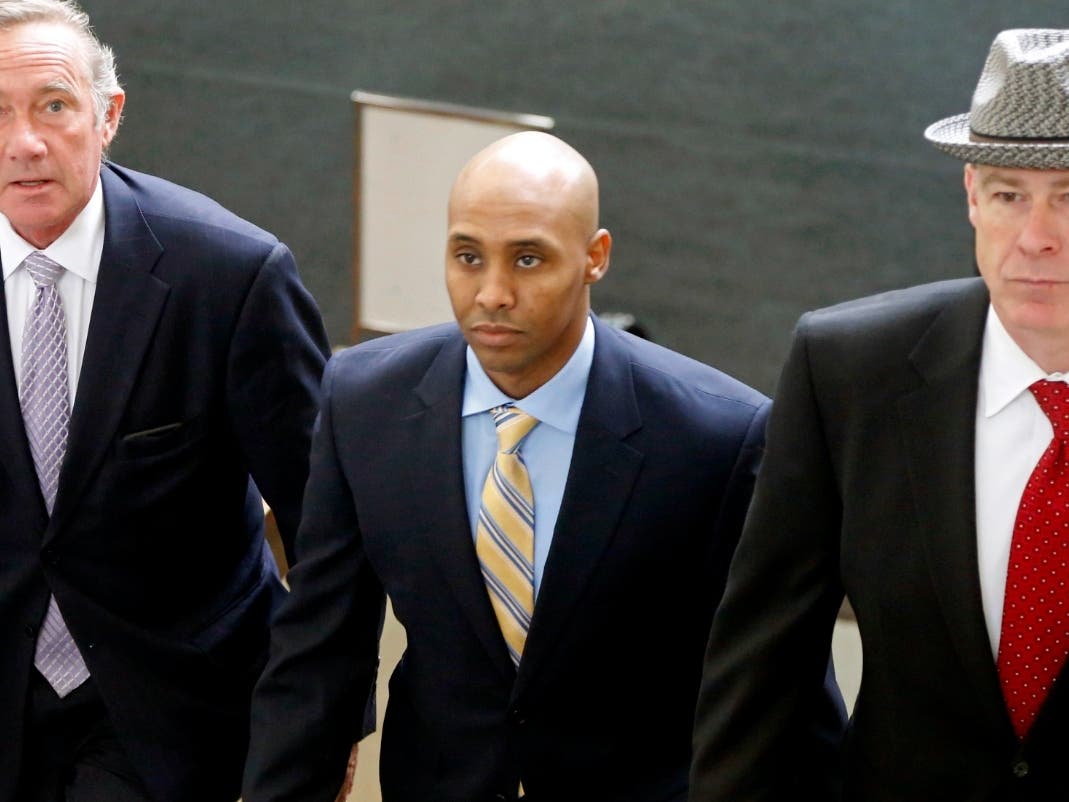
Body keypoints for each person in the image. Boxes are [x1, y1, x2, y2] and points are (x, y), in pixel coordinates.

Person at [241, 130, 824, 802]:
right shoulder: (362, 399)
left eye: (527, 260)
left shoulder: (718, 435)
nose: (491, 293)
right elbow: (319, 647)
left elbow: (776, 685)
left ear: (594, 257)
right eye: (467, 256)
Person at [689, 28, 1069, 801]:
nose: (1035, 238)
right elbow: (763, 663)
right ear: (969, 199)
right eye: (1007, 194)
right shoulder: (848, 372)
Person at [0, 1, 331, 800]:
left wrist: (322, 720)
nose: (24, 143)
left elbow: (323, 522)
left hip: (171, 705)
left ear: (107, 115)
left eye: (53, 105)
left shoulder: (229, 277)